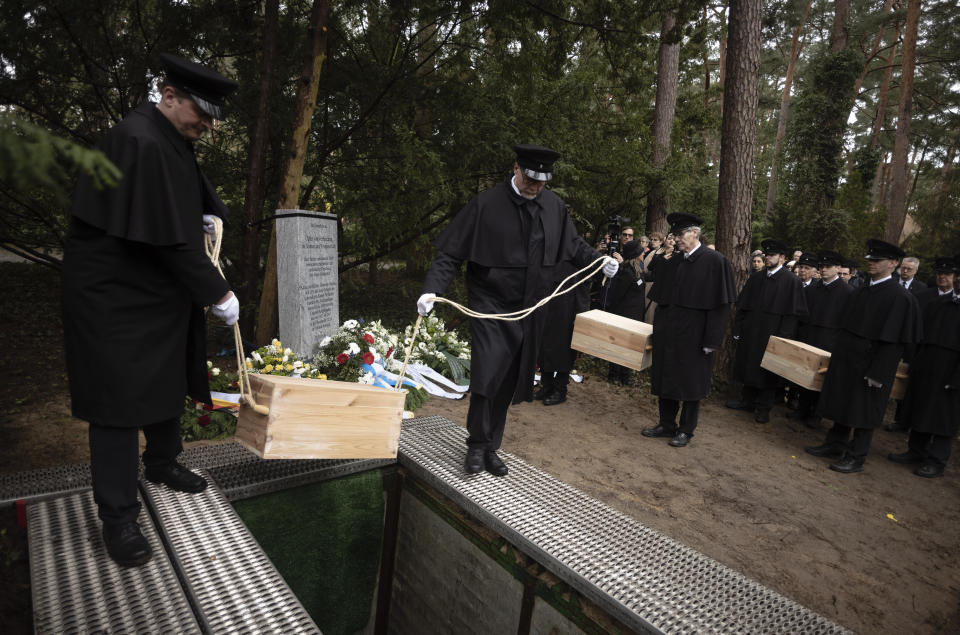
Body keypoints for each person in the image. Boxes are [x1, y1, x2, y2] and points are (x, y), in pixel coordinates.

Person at [62, 53, 240, 567]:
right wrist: (217, 292)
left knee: (165, 378)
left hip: (153, 292)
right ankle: (118, 517)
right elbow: (165, 241)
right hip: (113, 298)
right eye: (199, 112)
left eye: (211, 117)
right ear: (167, 95)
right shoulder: (139, 138)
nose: (206, 124)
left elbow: (183, 201)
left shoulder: (169, 138)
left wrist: (207, 213)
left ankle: (162, 464)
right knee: (116, 405)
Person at [418, 144, 616, 476]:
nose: (535, 187)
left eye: (542, 182)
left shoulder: (553, 206)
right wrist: (431, 291)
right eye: (530, 179)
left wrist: (601, 262)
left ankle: (491, 446)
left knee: (508, 379)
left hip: (531, 307)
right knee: (486, 375)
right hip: (490, 305)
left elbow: (574, 245)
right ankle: (476, 445)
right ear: (516, 169)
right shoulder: (485, 204)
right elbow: (450, 254)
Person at [805, 240, 922, 473]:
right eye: (871, 260)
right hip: (848, 358)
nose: (872, 264)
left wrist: (878, 372)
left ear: (893, 263)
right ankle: (835, 443)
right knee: (842, 403)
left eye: (877, 260)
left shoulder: (900, 297)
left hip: (873, 364)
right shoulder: (862, 290)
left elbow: (895, 343)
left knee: (863, 410)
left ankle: (856, 456)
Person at [640, 213, 736, 447]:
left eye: (680, 235)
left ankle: (685, 430)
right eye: (674, 235)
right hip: (669, 332)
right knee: (666, 377)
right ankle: (666, 424)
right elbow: (660, 291)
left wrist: (711, 340)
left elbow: (721, 306)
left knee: (691, 383)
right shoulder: (675, 260)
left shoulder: (715, 261)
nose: (676, 239)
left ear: (695, 233)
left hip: (695, 335)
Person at [726, 238, 807, 422]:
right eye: (766, 255)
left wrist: (783, 339)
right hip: (752, 332)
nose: (768, 258)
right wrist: (739, 328)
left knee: (768, 373)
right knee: (749, 365)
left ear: (782, 257)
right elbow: (743, 306)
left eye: (772, 255)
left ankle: (763, 408)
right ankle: (747, 401)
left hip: (774, 334)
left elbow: (793, 315)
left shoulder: (791, 281)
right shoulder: (757, 278)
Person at [888, 275, 960, 478]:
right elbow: (922, 334)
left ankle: (937, 460)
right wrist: (915, 362)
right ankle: (916, 450)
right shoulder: (939, 302)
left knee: (943, 417)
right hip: (927, 364)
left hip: (951, 370)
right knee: (920, 408)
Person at [788, 251, 853, 428]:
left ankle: (816, 413)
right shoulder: (812, 288)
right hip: (809, 336)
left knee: (821, 380)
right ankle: (801, 408)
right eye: (822, 267)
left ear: (838, 268)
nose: (823, 270)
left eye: (828, 267)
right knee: (804, 375)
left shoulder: (848, 292)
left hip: (829, 341)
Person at [535, 255, 591, 405]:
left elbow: (582, 294)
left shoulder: (577, 264)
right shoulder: (549, 260)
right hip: (548, 314)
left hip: (566, 318)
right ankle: (546, 386)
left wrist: (580, 317)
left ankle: (560, 390)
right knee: (545, 351)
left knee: (563, 355)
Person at [601, 238, 647, 386]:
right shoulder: (627, 272)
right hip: (624, 315)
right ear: (635, 254)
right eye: (641, 251)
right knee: (619, 345)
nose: (644, 253)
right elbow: (618, 295)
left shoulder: (638, 270)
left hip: (635, 316)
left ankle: (625, 376)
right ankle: (614, 375)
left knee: (630, 347)